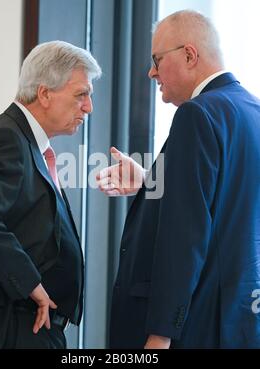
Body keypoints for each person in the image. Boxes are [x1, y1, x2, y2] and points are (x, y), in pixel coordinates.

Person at [97, 10, 260, 349]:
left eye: (157, 59)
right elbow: (228, 203)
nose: (151, 71)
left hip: (194, 328)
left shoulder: (197, 114)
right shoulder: (252, 111)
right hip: (240, 324)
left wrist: (160, 334)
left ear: (189, 54)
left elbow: (185, 235)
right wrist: (150, 180)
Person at [0, 40, 101, 348]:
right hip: (11, 327)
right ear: (45, 94)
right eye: (81, 94)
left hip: (29, 324)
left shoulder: (28, 142)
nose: (89, 107)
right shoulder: (8, 138)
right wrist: (30, 283)